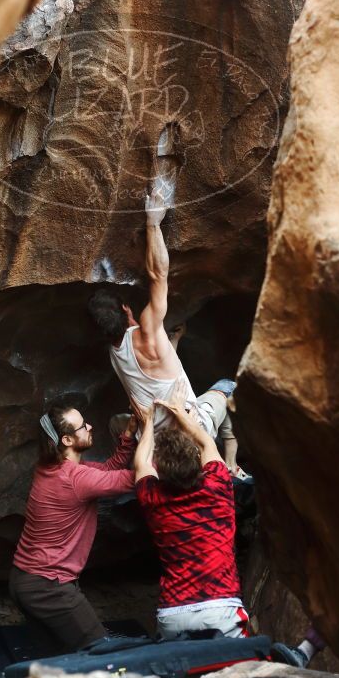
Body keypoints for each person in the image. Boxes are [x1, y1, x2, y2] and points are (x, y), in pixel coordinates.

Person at [88, 187, 242, 476]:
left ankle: (137, 468)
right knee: (227, 386)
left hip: (157, 446)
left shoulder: (114, 352)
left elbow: (152, 368)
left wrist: (172, 342)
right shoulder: (146, 331)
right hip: (191, 433)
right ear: (125, 309)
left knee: (116, 424)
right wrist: (153, 222)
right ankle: (231, 462)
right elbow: (159, 275)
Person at [9, 403, 137, 652]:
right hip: (48, 586)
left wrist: (130, 434)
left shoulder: (52, 468)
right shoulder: (77, 479)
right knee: (101, 652)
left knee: (58, 655)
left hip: (25, 580)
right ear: (67, 439)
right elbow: (137, 478)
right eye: (82, 426)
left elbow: (108, 470)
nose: (90, 426)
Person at [132, 381, 249, 639]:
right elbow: (207, 443)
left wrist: (148, 422)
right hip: (222, 607)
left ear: (159, 471)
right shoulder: (218, 485)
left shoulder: (153, 498)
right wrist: (182, 415)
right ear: (199, 464)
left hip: (174, 613)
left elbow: (140, 461)